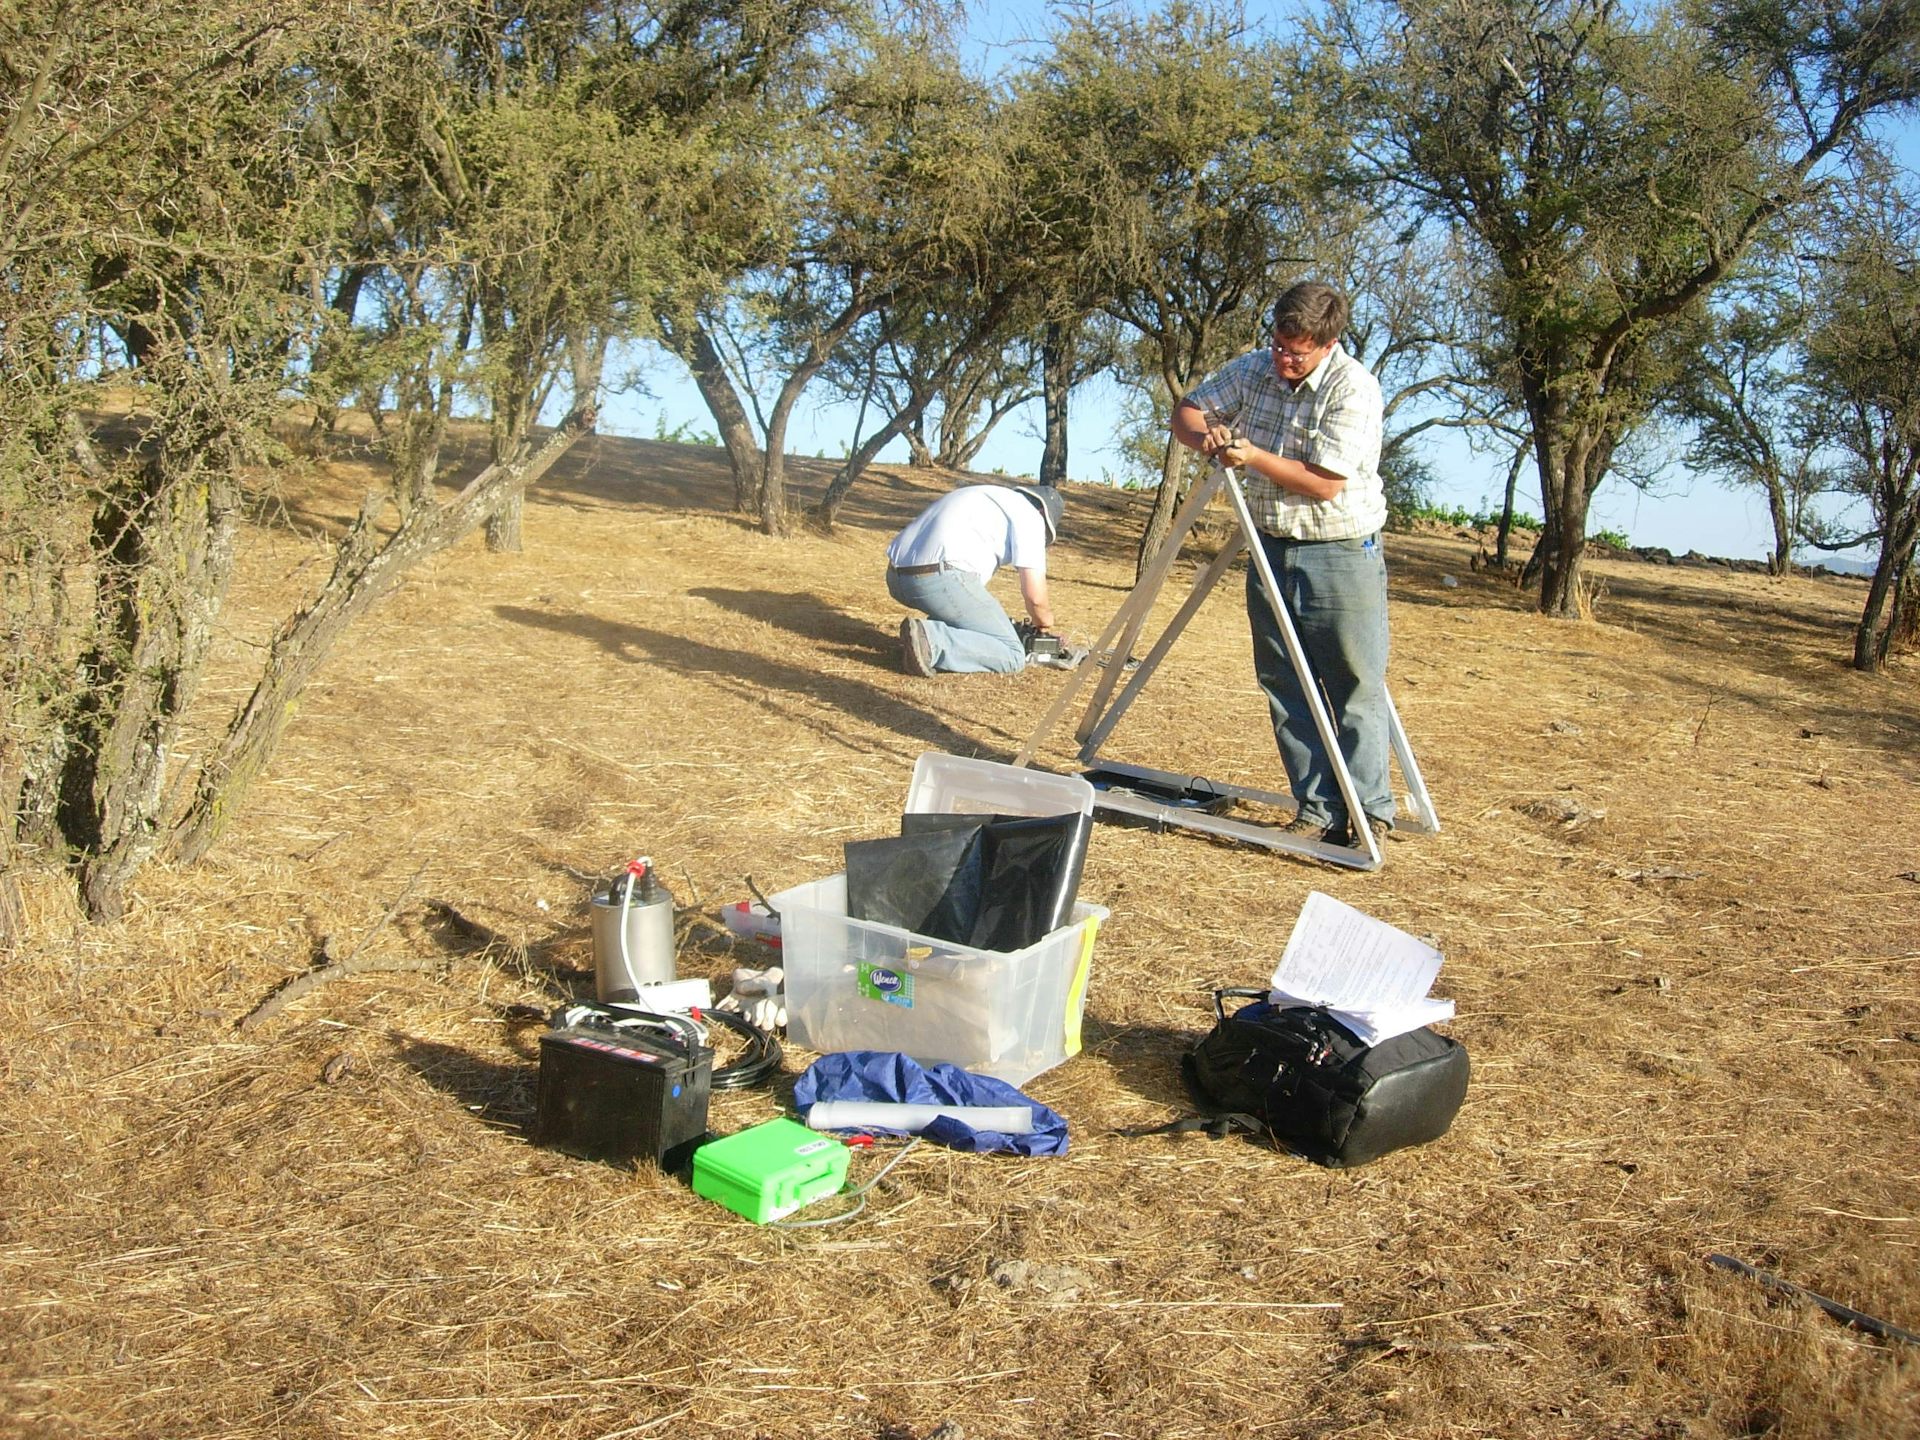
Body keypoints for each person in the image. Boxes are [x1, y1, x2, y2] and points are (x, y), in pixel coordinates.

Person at [1170, 281, 1393, 849]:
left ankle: (1369, 816)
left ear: (1328, 344)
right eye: (1278, 345)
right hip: (1269, 544)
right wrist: (1209, 438)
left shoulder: (1354, 389)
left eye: (1297, 352)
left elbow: (1324, 483)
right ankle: (1317, 810)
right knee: (1282, 679)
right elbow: (1188, 410)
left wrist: (1252, 456)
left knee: (1353, 683)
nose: (1284, 359)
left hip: (1340, 552)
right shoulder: (1255, 367)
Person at [886, 483, 1066, 675]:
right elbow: (1035, 598)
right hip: (938, 578)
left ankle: (921, 637)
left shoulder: (988, 495)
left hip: (896, 577)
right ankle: (931, 640)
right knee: (1013, 654)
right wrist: (1044, 622)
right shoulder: (1031, 517)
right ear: (1042, 513)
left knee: (978, 626)